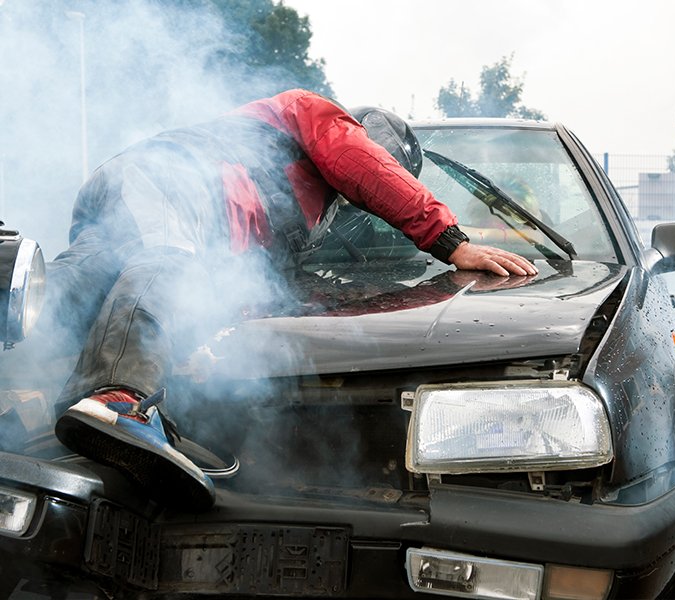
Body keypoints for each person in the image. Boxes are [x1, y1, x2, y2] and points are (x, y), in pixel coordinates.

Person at [49, 89, 537, 511]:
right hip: (173, 178)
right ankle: (117, 399)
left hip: (132, 182)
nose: (349, 204)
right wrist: (450, 241)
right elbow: (360, 163)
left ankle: (17, 353)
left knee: (76, 285)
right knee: (168, 264)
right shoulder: (311, 112)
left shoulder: (284, 208)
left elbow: (227, 290)